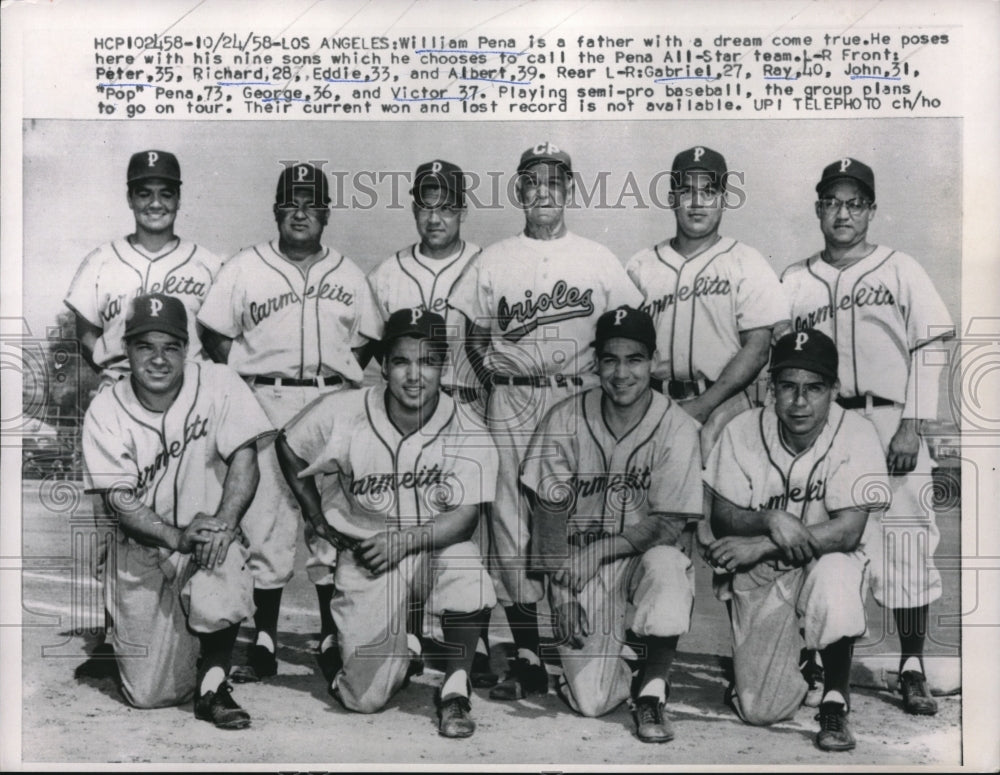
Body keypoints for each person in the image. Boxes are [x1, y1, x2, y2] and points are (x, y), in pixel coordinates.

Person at [450, 141, 643, 701]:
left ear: (568, 190)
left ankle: (586, 637)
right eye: (532, 182)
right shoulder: (492, 258)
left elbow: (626, 333)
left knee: (578, 515)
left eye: (553, 182)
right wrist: (496, 391)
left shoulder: (599, 259)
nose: (542, 191)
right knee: (510, 524)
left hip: (579, 396)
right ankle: (530, 650)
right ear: (519, 190)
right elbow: (472, 338)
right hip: (512, 397)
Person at [781, 158, 956, 716]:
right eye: (832, 201)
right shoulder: (794, 277)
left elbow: (931, 344)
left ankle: (910, 664)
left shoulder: (900, 267)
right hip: (827, 423)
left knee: (905, 541)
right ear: (818, 209)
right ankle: (821, 663)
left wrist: (913, 423)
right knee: (828, 539)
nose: (843, 212)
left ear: (872, 210)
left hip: (889, 416)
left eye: (855, 202)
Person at [197, 161, 382, 684]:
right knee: (267, 524)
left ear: (326, 213)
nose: (300, 212)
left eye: (311, 203)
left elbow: (368, 339)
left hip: (330, 403)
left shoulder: (348, 273)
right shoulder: (244, 267)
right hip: (267, 398)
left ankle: (328, 634)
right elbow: (213, 331)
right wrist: (251, 370)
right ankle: (265, 639)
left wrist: (338, 380)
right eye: (291, 202)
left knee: (329, 523)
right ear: (277, 209)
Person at [277, 308, 499, 738]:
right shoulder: (346, 410)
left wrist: (405, 542)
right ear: (383, 364)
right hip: (369, 559)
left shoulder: (468, 427)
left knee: (467, 567)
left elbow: (465, 518)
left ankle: (455, 690)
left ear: (443, 365)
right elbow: (288, 444)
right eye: (401, 361)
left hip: (432, 553)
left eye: (427, 361)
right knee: (364, 700)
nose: (414, 375)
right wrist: (314, 513)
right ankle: (398, 652)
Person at [80, 293, 271, 728]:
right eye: (145, 346)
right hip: (142, 548)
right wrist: (173, 536)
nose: (159, 358)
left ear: (187, 349)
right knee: (148, 695)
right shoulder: (106, 409)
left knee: (222, 551)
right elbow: (120, 500)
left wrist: (224, 524)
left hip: (204, 541)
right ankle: (156, 648)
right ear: (126, 351)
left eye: (171, 346)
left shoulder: (219, 381)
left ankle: (213, 682)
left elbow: (245, 457)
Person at [522, 306, 703, 743]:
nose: (622, 373)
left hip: (638, 561)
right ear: (595, 362)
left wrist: (599, 551)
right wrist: (561, 594)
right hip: (580, 573)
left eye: (634, 359)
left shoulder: (677, 425)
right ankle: (620, 656)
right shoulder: (564, 418)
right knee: (591, 703)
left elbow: (669, 524)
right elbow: (548, 514)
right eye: (610, 359)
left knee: (668, 568)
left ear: (654, 362)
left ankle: (653, 686)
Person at [704, 328, 890, 751]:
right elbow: (721, 517)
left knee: (836, 573)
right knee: (760, 711)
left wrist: (764, 541)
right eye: (787, 387)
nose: (800, 401)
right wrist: (772, 518)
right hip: (765, 573)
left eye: (814, 388)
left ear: (834, 389)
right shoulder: (743, 429)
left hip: (824, 560)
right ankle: (796, 665)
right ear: (771, 388)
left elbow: (847, 530)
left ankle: (835, 700)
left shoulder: (857, 432)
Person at [367, 159, 494, 684]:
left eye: (446, 206)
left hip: (466, 401)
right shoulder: (388, 271)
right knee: (406, 505)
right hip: (408, 407)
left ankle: (473, 639)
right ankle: (412, 632)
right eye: (427, 205)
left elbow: (495, 342)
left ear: (461, 210)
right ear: (416, 210)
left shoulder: (488, 264)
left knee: (467, 520)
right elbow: (372, 348)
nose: (436, 216)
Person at [625, 145, 788, 460]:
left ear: (724, 200)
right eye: (686, 191)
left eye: (709, 191)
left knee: (722, 505)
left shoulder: (746, 260)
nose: (697, 202)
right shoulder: (641, 265)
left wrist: (703, 405)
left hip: (726, 404)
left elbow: (756, 349)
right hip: (654, 402)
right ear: (672, 199)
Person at [65, 150, 223, 385]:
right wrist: (108, 372)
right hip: (120, 384)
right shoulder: (100, 261)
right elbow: (86, 335)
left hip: (188, 387)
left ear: (178, 200)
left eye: (166, 194)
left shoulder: (207, 264)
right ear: (130, 199)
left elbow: (219, 339)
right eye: (144, 194)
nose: (156, 204)